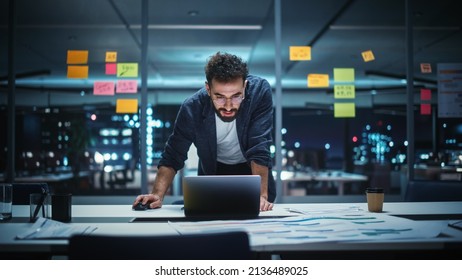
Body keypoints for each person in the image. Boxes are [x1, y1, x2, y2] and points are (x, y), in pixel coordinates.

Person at [133, 52, 275, 211]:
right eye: (219, 97)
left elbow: (259, 147)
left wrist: (261, 196)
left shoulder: (259, 93)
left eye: (236, 96)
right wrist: (157, 195)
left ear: (245, 86)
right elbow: (173, 154)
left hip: (252, 173)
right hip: (214, 173)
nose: (228, 106)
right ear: (208, 89)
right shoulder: (192, 108)